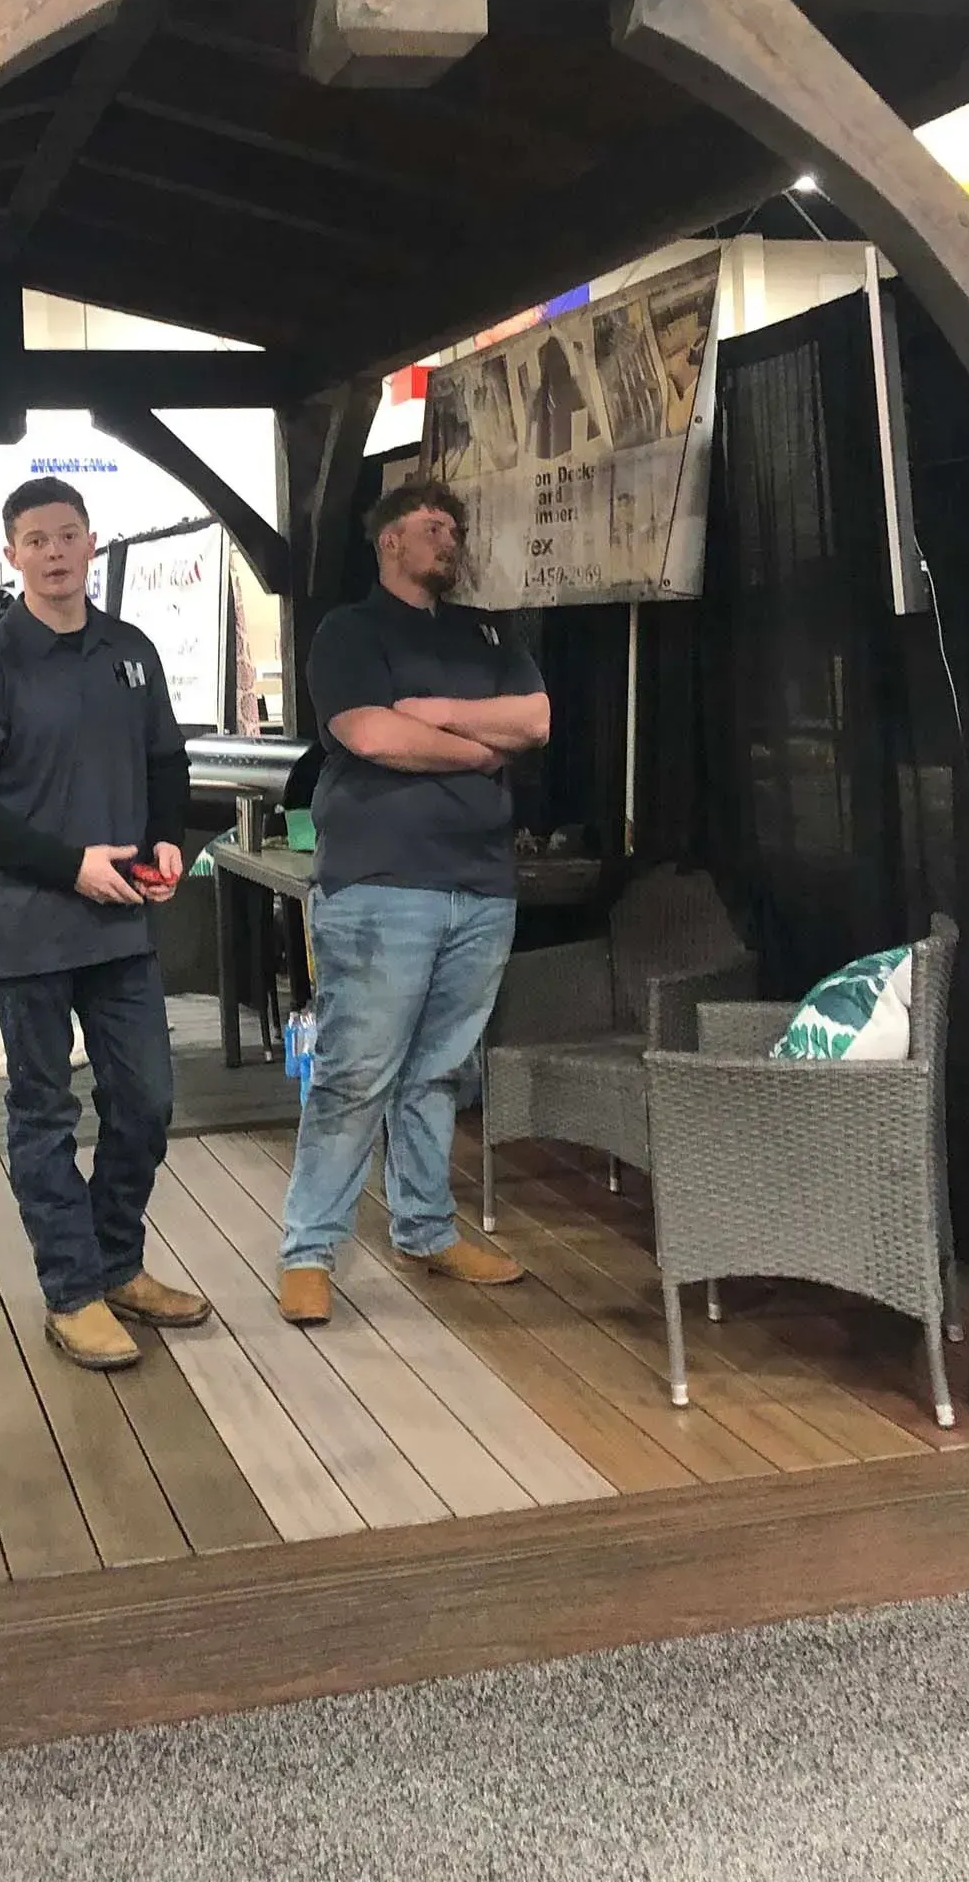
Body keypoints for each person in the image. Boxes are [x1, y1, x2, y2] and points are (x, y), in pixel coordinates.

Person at [0, 477, 210, 1370]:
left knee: (148, 1100)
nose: (54, 553)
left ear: (93, 543)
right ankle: (73, 1291)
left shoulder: (131, 650)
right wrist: (70, 865)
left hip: (124, 924)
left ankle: (116, 1260)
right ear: (10, 554)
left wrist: (166, 842)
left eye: (67, 536)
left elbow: (168, 760)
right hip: (30, 929)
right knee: (44, 1112)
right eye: (35, 540)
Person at [277, 479, 550, 1324]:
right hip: (381, 883)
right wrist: (476, 748)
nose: (449, 540)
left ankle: (426, 1228)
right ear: (389, 540)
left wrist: (429, 713)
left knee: (439, 1072)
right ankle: (308, 1250)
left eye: (455, 528)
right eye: (433, 526)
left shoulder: (487, 633)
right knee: (356, 1071)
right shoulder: (348, 632)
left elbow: (536, 720)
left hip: (482, 886)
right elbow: (368, 735)